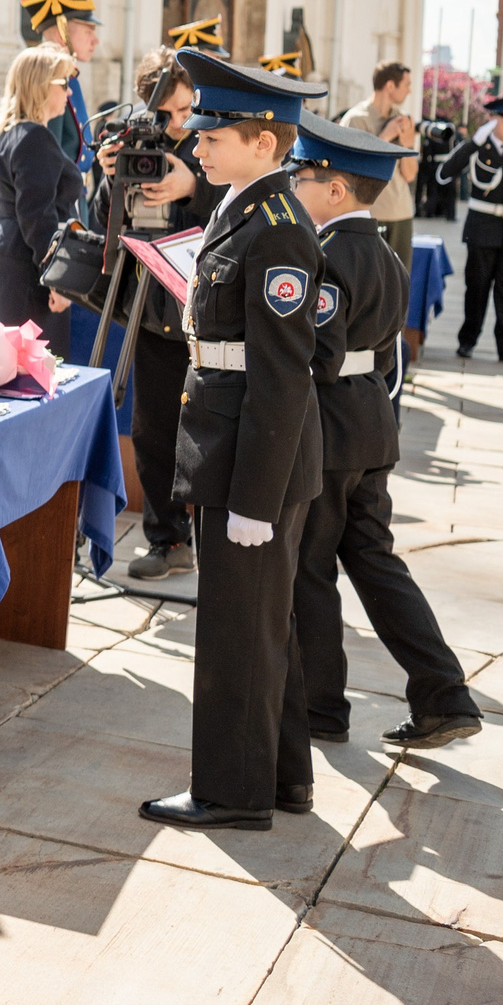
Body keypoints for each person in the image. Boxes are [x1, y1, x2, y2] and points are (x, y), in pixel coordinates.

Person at [138, 50, 326, 833]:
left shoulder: (277, 228)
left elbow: (282, 375)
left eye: (216, 134)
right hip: (231, 440)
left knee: (235, 631)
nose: (198, 143)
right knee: (260, 624)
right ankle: (282, 777)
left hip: (254, 455)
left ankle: (231, 791)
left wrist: (254, 498)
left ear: (265, 142)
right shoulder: (244, 208)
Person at [283, 114, 482, 750]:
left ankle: (321, 709)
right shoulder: (390, 256)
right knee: (375, 562)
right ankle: (444, 694)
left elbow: (318, 352)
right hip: (371, 427)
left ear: (335, 190)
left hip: (331, 431)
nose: (292, 184)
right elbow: (389, 357)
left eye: (301, 175)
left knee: (310, 568)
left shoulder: (325, 255)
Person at [92, 49, 223, 582]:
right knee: (152, 429)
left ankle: (221, 545)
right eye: (166, 112)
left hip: (208, 301)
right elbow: (106, 220)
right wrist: (109, 177)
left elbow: (247, 197)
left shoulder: (212, 138)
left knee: (212, 431)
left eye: (184, 109)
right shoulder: (136, 142)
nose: (177, 123)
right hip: (150, 303)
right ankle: (168, 540)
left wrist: (192, 184)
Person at [0, 46, 84, 333]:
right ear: (40, 85)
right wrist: (57, 277)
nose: (69, 92)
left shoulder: (13, 133)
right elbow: (37, 216)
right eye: (63, 83)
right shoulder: (34, 137)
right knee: (29, 370)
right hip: (28, 270)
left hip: (10, 259)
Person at [435, 94, 503, 361]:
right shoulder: (479, 148)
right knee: (477, 289)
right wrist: (473, 143)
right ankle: (468, 340)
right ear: (493, 120)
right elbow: (445, 173)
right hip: (482, 231)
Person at [337, 60, 423, 267]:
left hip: (401, 214)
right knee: (367, 282)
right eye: (406, 85)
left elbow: (410, 174)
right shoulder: (356, 119)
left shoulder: (402, 119)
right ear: (390, 86)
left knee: (400, 283)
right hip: (367, 214)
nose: (410, 91)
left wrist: (406, 144)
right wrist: (384, 137)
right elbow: (350, 169)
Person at [19, 0, 99, 169]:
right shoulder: (50, 83)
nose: (95, 41)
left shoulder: (69, 77)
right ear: (63, 35)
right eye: (88, 31)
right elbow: (48, 158)